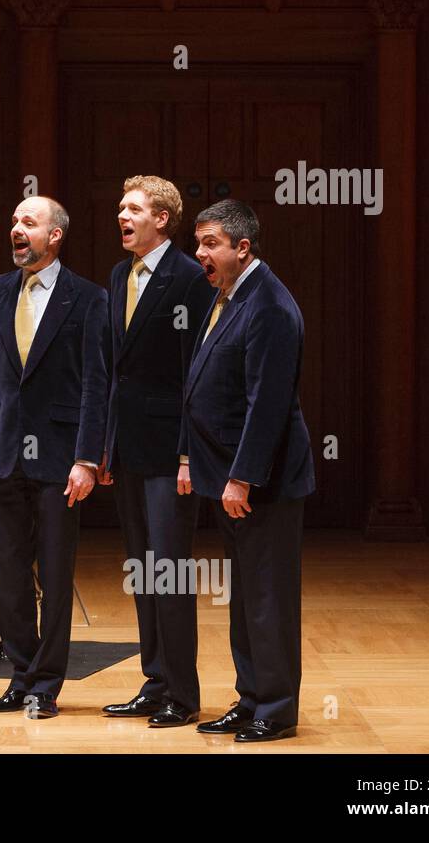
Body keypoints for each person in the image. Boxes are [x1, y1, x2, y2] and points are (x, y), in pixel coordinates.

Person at [0, 196, 109, 718]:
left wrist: (88, 458)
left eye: (28, 222)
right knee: (8, 576)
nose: (16, 229)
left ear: (56, 236)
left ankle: (46, 685)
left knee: (53, 572)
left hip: (59, 458)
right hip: (4, 454)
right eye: (13, 222)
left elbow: (98, 383)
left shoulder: (89, 298)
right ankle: (19, 676)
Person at [180, 200, 314, 743]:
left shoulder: (270, 307)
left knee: (268, 598)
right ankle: (250, 696)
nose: (200, 253)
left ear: (243, 247)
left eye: (210, 243)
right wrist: (194, 459)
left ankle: (276, 709)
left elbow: (267, 406)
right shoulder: (231, 295)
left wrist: (243, 477)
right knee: (245, 598)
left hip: (264, 483)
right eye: (199, 243)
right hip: (229, 476)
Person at [99, 176, 213, 727]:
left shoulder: (191, 278)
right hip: (129, 448)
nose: (123, 215)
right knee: (143, 571)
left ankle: (183, 695)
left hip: (171, 452)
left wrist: (191, 455)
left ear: (163, 218)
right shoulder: (120, 274)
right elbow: (114, 373)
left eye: (135, 208)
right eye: (122, 207)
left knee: (169, 572)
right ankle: (154, 680)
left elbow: (196, 372)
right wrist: (104, 446)